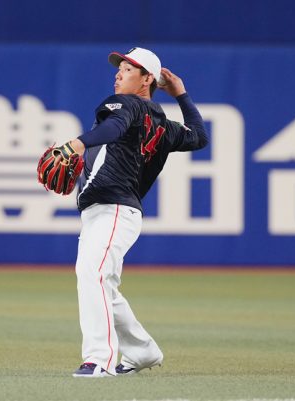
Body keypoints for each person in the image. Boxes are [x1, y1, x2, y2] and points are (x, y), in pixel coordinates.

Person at [63, 47, 208, 377]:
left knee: (93, 275)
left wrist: (77, 144)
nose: (119, 73)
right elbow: (199, 137)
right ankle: (143, 351)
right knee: (101, 283)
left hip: (114, 209)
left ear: (147, 80)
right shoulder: (164, 126)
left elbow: (113, 128)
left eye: (129, 69)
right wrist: (181, 95)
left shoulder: (127, 105)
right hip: (109, 211)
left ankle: (99, 360)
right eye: (120, 68)